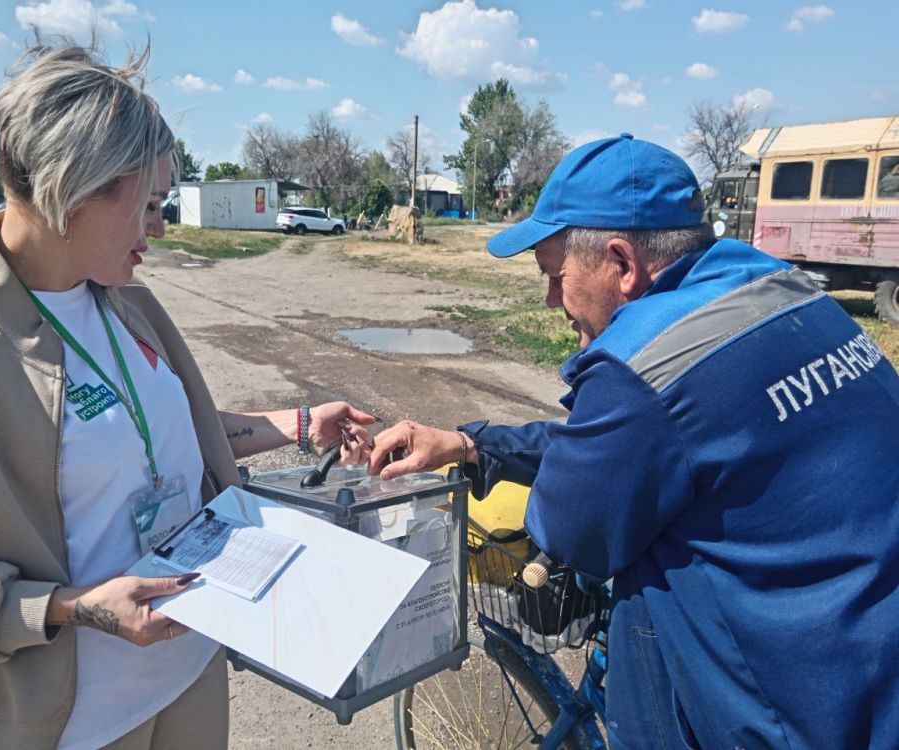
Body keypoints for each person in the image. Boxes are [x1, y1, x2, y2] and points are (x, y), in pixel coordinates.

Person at [0, 38, 373, 750]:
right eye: (149, 203)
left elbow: (156, 432)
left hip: (188, 683)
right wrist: (68, 610)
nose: (160, 226)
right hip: (59, 728)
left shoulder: (126, 299)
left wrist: (299, 422)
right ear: (69, 189)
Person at [368, 134, 899, 749]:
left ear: (621, 263)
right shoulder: (791, 294)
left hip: (787, 716)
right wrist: (468, 444)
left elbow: (574, 529)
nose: (550, 300)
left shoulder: (645, 366)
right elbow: (651, 443)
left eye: (554, 276)